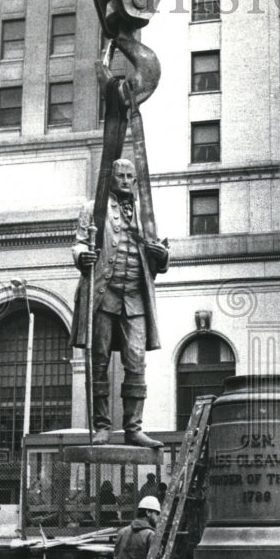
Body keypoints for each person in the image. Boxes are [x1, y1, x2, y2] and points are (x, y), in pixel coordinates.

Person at [70, 157, 169, 448]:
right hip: (104, 294)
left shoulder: (145, 214)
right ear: (111, 179)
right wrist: (81, 256)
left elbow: (159, 254)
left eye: (130, 176)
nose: (125, 180)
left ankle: (133, 428)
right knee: (98, 362)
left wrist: (163, 256)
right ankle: (101, 426)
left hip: (135, 298)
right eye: (120, 176)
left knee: (136, 362)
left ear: (135, 181)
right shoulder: (94, 208)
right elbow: (77, 242)